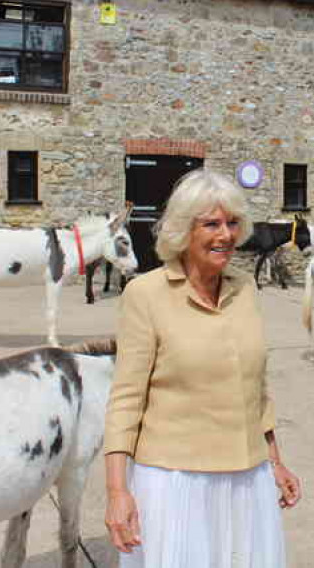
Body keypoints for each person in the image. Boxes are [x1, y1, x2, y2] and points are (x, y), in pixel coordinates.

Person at [102, 169, 301, 568]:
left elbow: (256, 387)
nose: (225, 235)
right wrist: (117, 491)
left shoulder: (245, 288)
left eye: (232, 223)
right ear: (181, 230)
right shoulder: (146, 294)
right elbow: (125, 399)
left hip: (247, 478)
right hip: (176, 483)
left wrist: (274, 459)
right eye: (211, 223)